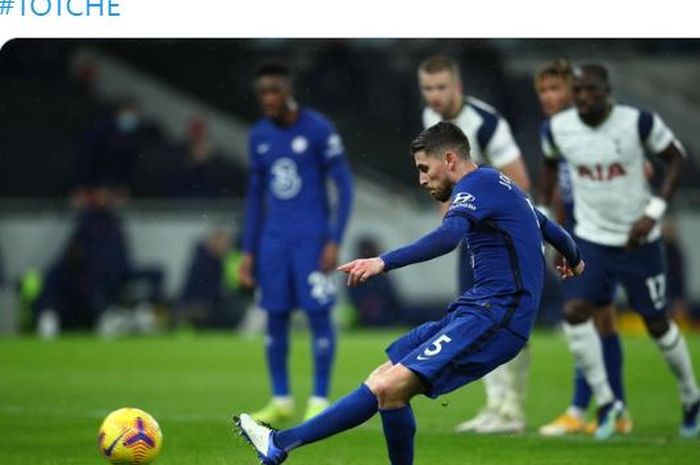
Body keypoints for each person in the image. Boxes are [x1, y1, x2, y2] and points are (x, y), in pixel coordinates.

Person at [234, 121, 593, 465]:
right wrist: (574, 258)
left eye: (425, 168)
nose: (422, 180)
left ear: (449, 159)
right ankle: (278, 443)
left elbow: (448, 237)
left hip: (496, 317)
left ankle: (280, 443)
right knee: (383, 382)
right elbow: (547, 226)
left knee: (390, 386)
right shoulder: (501, 185)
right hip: (473, 311)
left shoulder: (474, 188)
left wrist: (383, 262)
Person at [539, 63, 699, 438]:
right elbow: (547, 171)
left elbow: (676, 157)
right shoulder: (558, 129)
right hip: (590, 240)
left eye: (591, 90)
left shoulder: (638, 122)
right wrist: (548, 223)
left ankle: (691, 397)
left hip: (638, 241)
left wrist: (654, 211)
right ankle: (608, 403)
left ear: (608, 90)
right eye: (577, 91)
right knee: (575, 312)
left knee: (657, 324)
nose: (583, 98)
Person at [417, 54, 531, 433]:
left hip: (505, 237)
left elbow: (518, 180)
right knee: (475, 315)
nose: (434, 96)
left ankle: (512, 408)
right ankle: (496, 405)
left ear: (458, 87)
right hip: (471, 237)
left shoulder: (486, 122)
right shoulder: (430, 122)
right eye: (428, 88)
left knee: (505, 316)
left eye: (441, 87)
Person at [238, 62, 354, 424]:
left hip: (311, 240)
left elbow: (345, 187)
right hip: (273, 241)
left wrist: (334, 239)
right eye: (262, 93)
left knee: (319, 314)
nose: (268, 99)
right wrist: (248, 250)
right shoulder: (258, 135)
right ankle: (281, 399)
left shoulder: (318, 129)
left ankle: (319, 398)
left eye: (274, 90)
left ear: (289, 91)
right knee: (274, 315)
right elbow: (255, 196)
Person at [534, 60, 632, 436]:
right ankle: (616, 410)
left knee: (583, 317)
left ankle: (583, 407)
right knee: (598, 319)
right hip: (577, 230)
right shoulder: (554, 132)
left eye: (556, 89)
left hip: (595, 232)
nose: (549, 98)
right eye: (543, 91)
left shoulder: (591, 130)